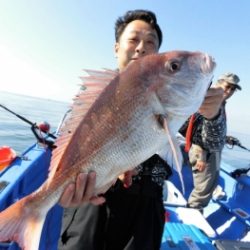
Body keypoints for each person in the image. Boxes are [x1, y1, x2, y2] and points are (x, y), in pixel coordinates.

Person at [58, 9, 226, 250]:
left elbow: (212, 144)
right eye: (133, 40)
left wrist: (214, 114)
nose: (141, 47)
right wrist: (68, 188)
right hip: (89, 203)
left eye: (150, 42)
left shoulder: (174, 95)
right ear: (117, 48)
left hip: (145, 210)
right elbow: (64, 142)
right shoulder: (94, 96)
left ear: (157, 53)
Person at [183, 72, 241, 212]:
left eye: (233, 89)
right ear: (218, 83)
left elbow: (209, 129)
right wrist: (201, 155)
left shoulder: (219, 102)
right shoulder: (209, 101)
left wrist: (225, 138)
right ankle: (193, 216)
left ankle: (195, 212)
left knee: (208, 185)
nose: (230, 91)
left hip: (210, 151)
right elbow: (197, 127)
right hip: (204, 153)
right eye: (227, 86)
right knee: (203, 189)